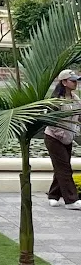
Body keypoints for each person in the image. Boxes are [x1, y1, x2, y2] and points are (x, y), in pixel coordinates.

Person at [45, 69, 81, 210]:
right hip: (54, 138)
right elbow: (50, 122)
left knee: (61, 167)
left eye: (76, 81)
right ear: (64, 82)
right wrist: (61, 134)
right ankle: (71, 200)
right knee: (65, 168)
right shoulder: (55, 101)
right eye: (72, 81)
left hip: (68, 138)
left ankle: (53, 195)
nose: (75, 83)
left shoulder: (76, 99)